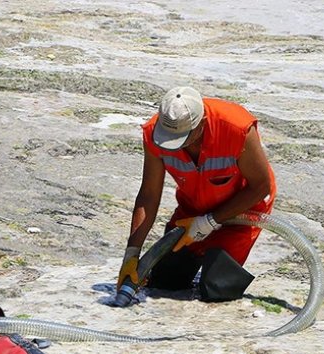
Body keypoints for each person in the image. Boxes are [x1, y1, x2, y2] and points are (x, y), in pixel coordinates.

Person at [114, 86, 276, 306]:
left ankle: (216, 265)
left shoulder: (236, 127)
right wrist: (131, 254)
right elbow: (149, 195)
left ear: (201, 124)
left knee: (216, 290)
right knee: (163, 283)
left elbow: (261, 186)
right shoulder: (154, 133)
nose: (174, 145)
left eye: (181, 139)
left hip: (242, 210)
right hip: (192, 210)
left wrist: (210, 222)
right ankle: (199, 257)